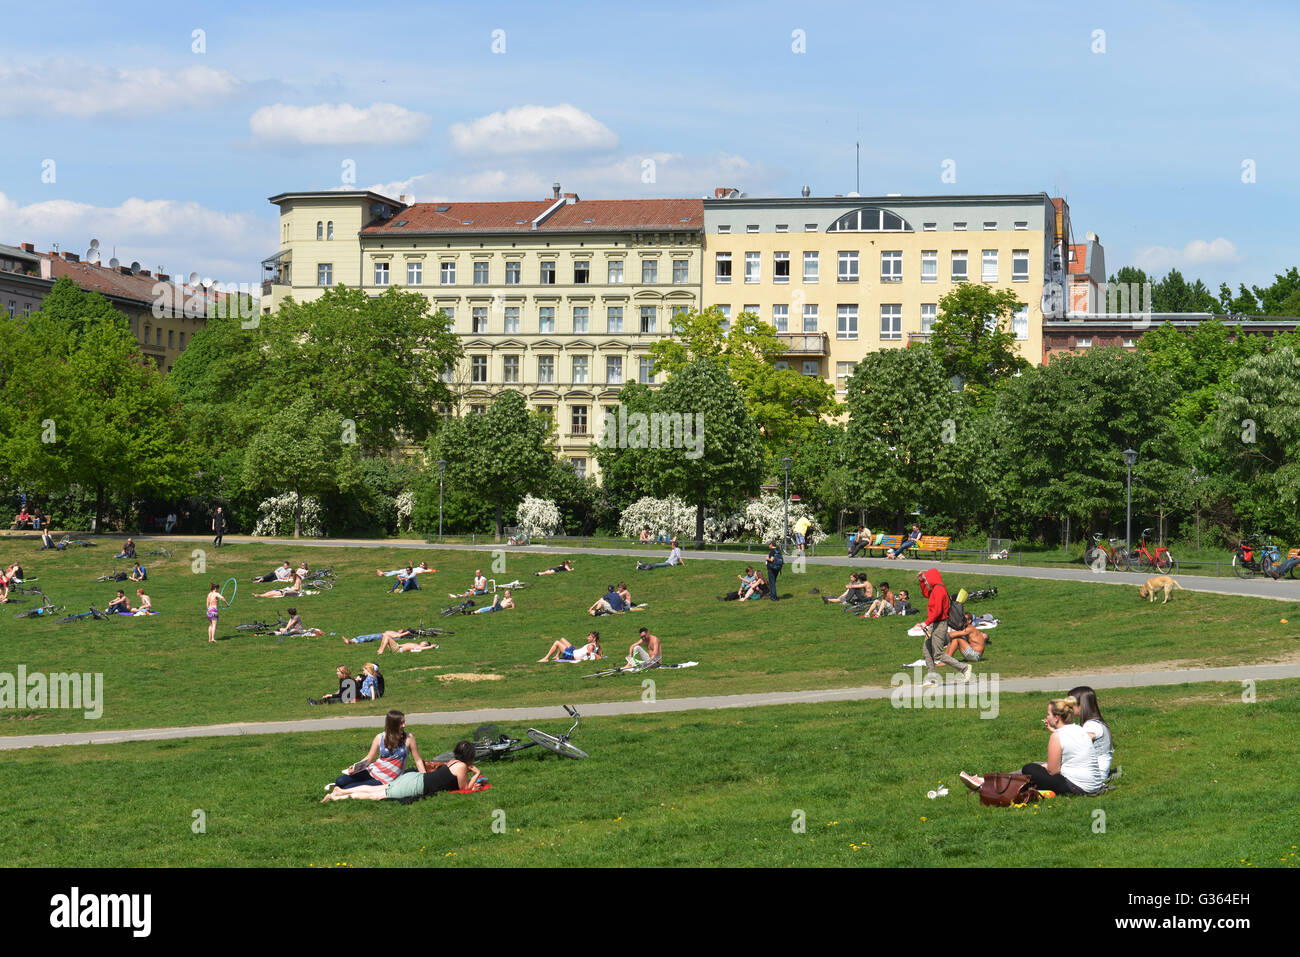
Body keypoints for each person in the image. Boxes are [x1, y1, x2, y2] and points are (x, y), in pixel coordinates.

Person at [960, 697, 1105, 797]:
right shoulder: (1080, 730)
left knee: (1030, 769)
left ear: (1056, 718)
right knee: (1036, 766)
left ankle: (987, 783)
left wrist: (1043, 765)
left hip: (1077, 788)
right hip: (1093, 784)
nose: (1046, 717)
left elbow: (1053, 771)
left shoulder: (1058, 737)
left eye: (1048, 714)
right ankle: (987, 781)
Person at [322, 740, 483, 803]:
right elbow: (464, 789)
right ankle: (336, 797)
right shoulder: (461, 767)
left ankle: (341, 790)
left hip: (414, 777)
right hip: (417, 785)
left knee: (378, 788)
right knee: (377, 795)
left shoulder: (453, 762)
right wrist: (476, 774)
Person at [328, 711, 425, 791]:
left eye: (404, 722)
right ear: (392, 725)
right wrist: (355, 767)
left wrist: (426, 778)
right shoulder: (380, 737)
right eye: (401, 723)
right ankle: (338, 789)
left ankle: (339, 792)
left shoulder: (408, 738)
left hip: (385, 780)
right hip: (373, 771)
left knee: (348, 788)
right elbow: (369, 758)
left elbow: (418, 761)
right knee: (340, 781)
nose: (404, 725)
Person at [917, 568, 970, 686]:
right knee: (927, 651)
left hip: (940, 624)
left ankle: (964, 668)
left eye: (926, 580)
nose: (926, 583)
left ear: (931, 579)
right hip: (934, 624)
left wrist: (926, 622)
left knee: (937, 654)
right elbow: (926, 594)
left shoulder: (939, 590)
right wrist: (921, 581)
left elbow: (937, 611)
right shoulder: (936, 589)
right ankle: (932, 679)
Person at [1069, 685, 1116, 779]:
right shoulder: (1094, 723)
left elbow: (1078, 746)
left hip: (1094, 775)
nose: (1068, 708)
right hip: (1094, 772)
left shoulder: (1091, 726)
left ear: (1081, 705)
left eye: (1070, 705)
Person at [345, 628, 414, 645]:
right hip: (380, 634)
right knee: (364, 636)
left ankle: (351, 641)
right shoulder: (397, 633)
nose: (400, 629)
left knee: (367, 638)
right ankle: (352, 639)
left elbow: (399, 635)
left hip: (381, 636)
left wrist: (407, 632)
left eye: (402, 630)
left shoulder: (398, 635)